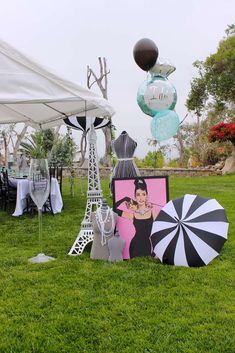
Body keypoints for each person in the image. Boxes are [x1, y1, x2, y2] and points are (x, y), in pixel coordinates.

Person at [114, 178, 159, 258]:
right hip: (134, 246)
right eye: (138, 195)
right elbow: (114, 209)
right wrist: (124, 199)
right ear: (135, 197)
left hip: (147, 247)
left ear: (147, 196)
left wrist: (155, 251)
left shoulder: (153, 213)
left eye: (143, 194)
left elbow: (158, 233)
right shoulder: (133, 214)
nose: (141, 198)